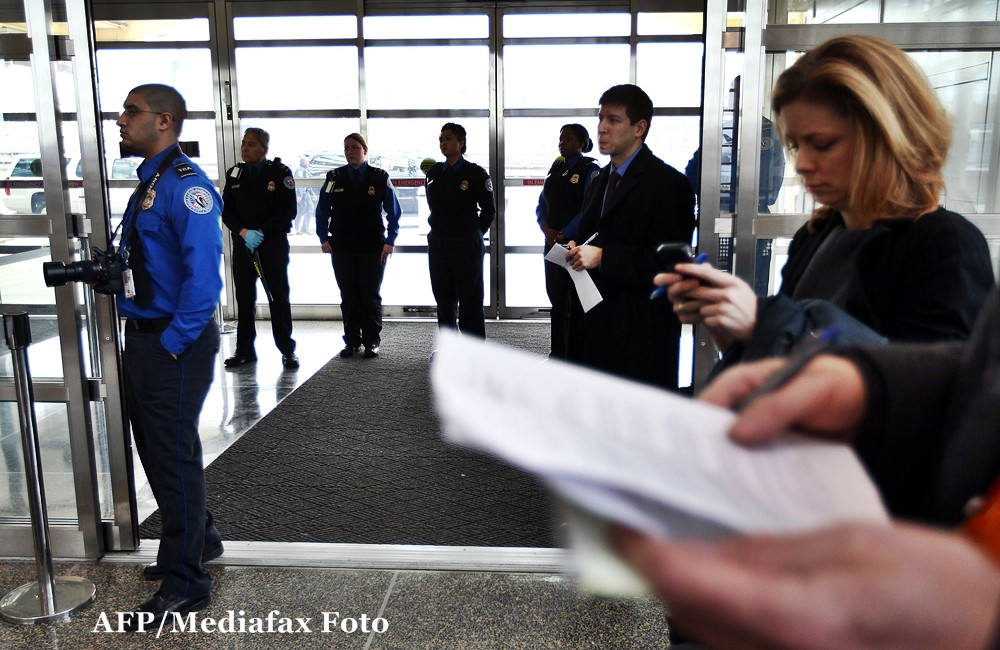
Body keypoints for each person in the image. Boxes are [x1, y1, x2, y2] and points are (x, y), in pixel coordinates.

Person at [615, 282, 1000, 649]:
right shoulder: (820, 235)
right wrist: (873, 388)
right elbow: (981, 372)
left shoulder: (944, 243)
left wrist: (985, 625)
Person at [661, 36, 994, 381]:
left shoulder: (945, 245)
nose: (802, 163)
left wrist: (766, 325)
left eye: (822, 144)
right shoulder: (818, 234)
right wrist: (728, 323)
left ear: (886, 136)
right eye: (795, 145)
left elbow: (927, 395)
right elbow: (781, 369)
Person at [114, 83, 224, 630]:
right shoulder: (149, 183)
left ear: (163, 121)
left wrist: (171, 343)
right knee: (161, 450)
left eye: (130, 112)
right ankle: (199, 539)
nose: (120, 118)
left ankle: (187, 583)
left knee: (170, 456)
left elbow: (204, 283)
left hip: (172, 341)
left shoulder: (187, 186)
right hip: (148, 334)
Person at [564, 84, 696, 389]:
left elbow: (670, 263)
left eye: (613, 120)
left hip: (641, 333)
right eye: (600, 119)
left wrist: (604, 257)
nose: (601, 129)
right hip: (596, 324)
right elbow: (594, 235)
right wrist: (577, 248)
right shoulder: (598, 180)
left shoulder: (669, 184)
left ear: (640, 128)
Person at [315, 133, 401, 358]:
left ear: (365, 149)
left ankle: (372, 340)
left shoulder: (379, 177)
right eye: (346, 148)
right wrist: (323, 237)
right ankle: (352, 341)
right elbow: (322, 210)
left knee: (370, 294)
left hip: (372, 246)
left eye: (354, 147)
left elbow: (394, 212)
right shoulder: (334, 177)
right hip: (342, 246)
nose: (350, 152)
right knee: (349, 295)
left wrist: (391, 241)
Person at [221, 127, 299, 370]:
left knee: (277, 298)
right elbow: (226, 211)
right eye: (244, 143)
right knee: (244, 299)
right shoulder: (235, 174)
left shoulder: (280, 173)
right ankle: (244, 350)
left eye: (251, 144)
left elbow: (288, 213)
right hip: (243, 245)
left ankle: (287, 350)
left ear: (264, 149)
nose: (245, 147)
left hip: (271, 247)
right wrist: (244, 232)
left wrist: (262, 232)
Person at [424, 122, 496, 338]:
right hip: (439, 245)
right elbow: (433, 206)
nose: (443, 143)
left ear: (461, 143)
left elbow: (489, 210)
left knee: (470, 300)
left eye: (447, 138)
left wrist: (474, 233)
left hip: (466, 246)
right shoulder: (434, 172)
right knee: (443, 299)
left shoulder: (475, 173)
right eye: (440, 139)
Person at [536, 124, 600, 358]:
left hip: (575, 246)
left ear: (582, 144)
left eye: (569, 138)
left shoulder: (590, 170)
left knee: (575, 305)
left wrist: (565, 232)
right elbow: (542, 204)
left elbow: (590, 209)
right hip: (551, 244)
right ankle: (557, 354)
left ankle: (574, 358)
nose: (562, 142)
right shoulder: (557, 167)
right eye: (561, 138)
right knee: (557, 300)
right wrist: (545, 227)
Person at [293, 155, 317, 235]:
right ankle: (298, 229)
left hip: (306, 193)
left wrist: (313, 194)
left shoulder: (305, 170)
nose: (308, 163)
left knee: (308, 210)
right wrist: (299, 195)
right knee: (302, 211)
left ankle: (303, 228)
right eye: (307, 161)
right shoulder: (300, 171)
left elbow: (308, 183)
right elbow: (298, 183)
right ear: (303, 162)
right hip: (302, 194)